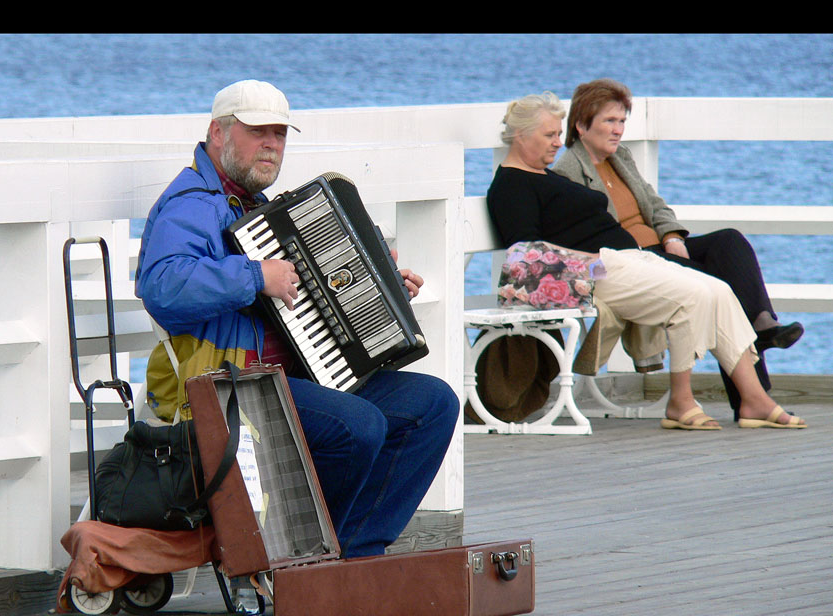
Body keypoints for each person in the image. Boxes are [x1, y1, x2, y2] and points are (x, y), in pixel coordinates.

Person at [135, 80, 459, 558]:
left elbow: (311, 293)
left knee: (432, 403)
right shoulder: (191, 204)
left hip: (300, 375)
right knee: (359, 425)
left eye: (280, 135)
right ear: (217, 133)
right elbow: (162, 287)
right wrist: (253, 275)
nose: (272, 144)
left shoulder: (259, 208)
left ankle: (355, 553)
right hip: (227, 383)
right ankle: (307, 554)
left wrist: (384, 284)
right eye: (258, 132)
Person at [487, 91, 806, 431]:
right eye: (549, 135)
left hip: (628, 259)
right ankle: (680, 402)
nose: (557, 142)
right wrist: (592, 260)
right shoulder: (511, 185)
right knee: (693, 297)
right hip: (598, 272)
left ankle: (754, 399)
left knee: (719, 291)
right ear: (520, 135)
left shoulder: (544, 176)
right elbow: (526, 254)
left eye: (557, 133)